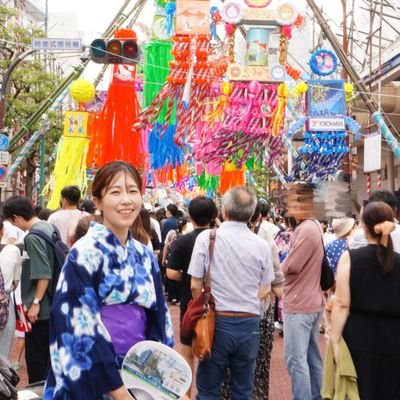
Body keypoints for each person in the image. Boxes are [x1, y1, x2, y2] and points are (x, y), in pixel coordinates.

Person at [44, 161, 174, 400]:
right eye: (116, 192)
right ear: (98, 201)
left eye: (133, 191)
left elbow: (160, 317)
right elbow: (80, 324)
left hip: (139, 373)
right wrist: (119, 392)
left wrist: (162, 378)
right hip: (96, 372)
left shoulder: (144, 254)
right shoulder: (84, 254)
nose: (126, 200)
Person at [188, 186, 275, 399]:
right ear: (252, 212)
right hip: (249, 322)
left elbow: (194, 284)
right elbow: (265, 288)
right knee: (243, 389)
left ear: (224, 210)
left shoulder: (207, 238)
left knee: (209, 388)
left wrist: (202, 308)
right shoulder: (261, 245)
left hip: (216, 321)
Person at [330, 201, 400, 399]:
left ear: (365, 227)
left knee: (359, 392)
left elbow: (342, 304)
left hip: (359, 336)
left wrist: (334, 340)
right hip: (394, 338)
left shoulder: (350, 258)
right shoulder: (398, 261)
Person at [2, 196, 57, 384]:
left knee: (36, 359)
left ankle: (38, 393)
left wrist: (35, 303)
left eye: (12, 222)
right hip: (51, 302)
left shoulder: (33, 237)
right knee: (47, 358)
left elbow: (44, 273)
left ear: (16, 217)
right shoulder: (48, 227)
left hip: (40, 309)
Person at [166, 196, 217, 396]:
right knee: (212, 351)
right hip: (215, 305)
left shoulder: (182, 241)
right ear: (214, 216)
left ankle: (186, 394)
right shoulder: (220, 239)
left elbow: (170, 273)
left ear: (190, 216)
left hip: (190, 304)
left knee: (187, 353)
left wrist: (187, 277)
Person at [281, 183, 325, 400]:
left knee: (296, 360)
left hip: (300, 303)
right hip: (311, 300)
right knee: (311, 357)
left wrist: (281, 265)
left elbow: (292, 266)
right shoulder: (313, 226)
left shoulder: (306, 228)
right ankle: (315, 396)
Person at [0, 218, 22, 358]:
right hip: (4, 305)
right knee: (2, 354)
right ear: (2, 232)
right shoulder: (12, 250)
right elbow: (15, 283)